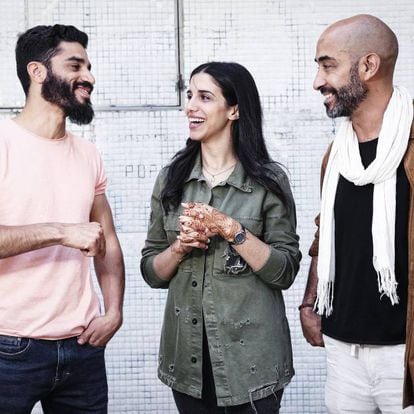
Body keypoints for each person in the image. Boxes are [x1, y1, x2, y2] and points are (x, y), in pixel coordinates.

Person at [141, 61, 301, 413]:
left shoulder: (269, 182)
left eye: (204, 97)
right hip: (188, 362)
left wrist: (231, 229)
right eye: (189, 96)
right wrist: (180, 247)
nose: (191, 107)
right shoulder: (171, 179)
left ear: (234, 110)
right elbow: (151, 272)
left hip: (253, 364)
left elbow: (284, 271)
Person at [0, 24, 125, 413]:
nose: (88, 77)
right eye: (75, 65)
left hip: (82, 348)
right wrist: (60, 232)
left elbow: (107, 241)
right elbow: (77, 234)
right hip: (9, 348)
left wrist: (114, 312)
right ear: (37, 72)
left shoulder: (88, 154)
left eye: (88, 66)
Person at [299, 14, 414, 412]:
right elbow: (326, 232)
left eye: (328, 65)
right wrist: (310, 299)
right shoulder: (337, 155)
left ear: (368, 66)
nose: (317, 81)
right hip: (342, 348)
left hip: (405, 354)